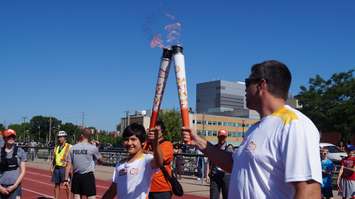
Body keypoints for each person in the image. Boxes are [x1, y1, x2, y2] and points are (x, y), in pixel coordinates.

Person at [182, 60, 322, 199]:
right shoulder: (255, 128)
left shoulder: (294, 124)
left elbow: (309, 191)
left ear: (261, 85)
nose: (245, 88)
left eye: (248, 82)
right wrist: (198, 141)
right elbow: (234, 164)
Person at [102, 123, 163, 199]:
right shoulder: (120, 164)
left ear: (142, 142)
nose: (129, 143)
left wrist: (155, 142)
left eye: (133, 139)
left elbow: (159, 162)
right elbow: (113, 189)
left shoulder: (146, 160)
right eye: (126, 139)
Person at [64, 128, 102, 199]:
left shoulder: (72, 148)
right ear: (90, 136)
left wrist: (66, 179)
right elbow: (100, 160)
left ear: (81, 135)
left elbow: (68, 165)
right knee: (91, 196)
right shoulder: (92, 148)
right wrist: (97, 147)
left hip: (76, 176)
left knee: (77, 196)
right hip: (88, 176)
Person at [148, 121, 174, 199]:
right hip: (146, 187)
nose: (154, 133)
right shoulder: (147, 144)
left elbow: (160, 159)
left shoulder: (167, 144)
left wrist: (146, 152)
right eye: (152, 131)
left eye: (157, 131)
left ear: (162, 132)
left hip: (161, 188)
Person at [0, 129, 27, 199]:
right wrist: (0, 188)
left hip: (15, 188)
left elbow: (23, 171)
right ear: (4, 138)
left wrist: (14, 186)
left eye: (13, 137)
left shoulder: (20, 151)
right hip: (1, 186)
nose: (11, 138)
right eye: (9, 136)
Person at [209, 130, 230, 199]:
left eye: (223, 137)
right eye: (220, 137)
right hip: (215, 175)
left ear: (226, 137)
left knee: (227, 196)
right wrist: (208, 173)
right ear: (218, 137)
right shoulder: (213, 148)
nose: (222, 139)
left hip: (226, 176)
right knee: (213, 196)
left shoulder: (230, 148)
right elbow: (210, 162)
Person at [51, 131, 71, 199]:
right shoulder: (56, 147)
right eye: (58, 137)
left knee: (66, 186)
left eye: (61, 137)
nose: (59, 139)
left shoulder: (69, 146)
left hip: (65, 168)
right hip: (57, 168)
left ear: (65, 138)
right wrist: (52, 167)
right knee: (56, 185)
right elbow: (55, 158)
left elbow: (72, 159)